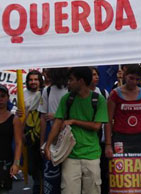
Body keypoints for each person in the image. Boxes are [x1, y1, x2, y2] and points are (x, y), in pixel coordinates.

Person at [44, 66, 108, 194]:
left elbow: (96, 126)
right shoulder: (67, 99)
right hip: (69, 154)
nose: (68, 82)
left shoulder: (98, 99)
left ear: (81, 81)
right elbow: (57, 123)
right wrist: (48, 145)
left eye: (71, 79)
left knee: (92, 191)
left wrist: (74, 121)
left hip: (92, 154)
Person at [105, 64, 141, 157]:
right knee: (121, 169)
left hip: (140, 138)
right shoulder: (115, 94)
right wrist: (108, 145)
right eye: (131, 78)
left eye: (137, 79)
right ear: (125, 76)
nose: (134, 82)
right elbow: (108, 120)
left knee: (140, 170)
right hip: (120, 138)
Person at [38, 68, 69, 194]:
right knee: (51, 175)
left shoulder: (71, 90)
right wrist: (42, 143)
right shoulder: (47, 90)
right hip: (51, 136)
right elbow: (43, 118)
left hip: (68, 135)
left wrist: (56, 116)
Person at [89, 67, 109, 194]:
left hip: (100, 139)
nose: (95, 77)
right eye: (92, 75)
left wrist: (108, 142)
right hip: (86, 140)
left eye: (97, 74)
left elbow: (107, 119)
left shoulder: (102, 93)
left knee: (103, 172)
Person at [23, 70, 44, 194]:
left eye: (36, 79)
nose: (33, 82)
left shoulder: (45, 93)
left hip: (42, 135)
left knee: (41, 171)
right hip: (29, 136)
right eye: (31, 80)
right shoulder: (22, 94)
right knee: (33, 169)